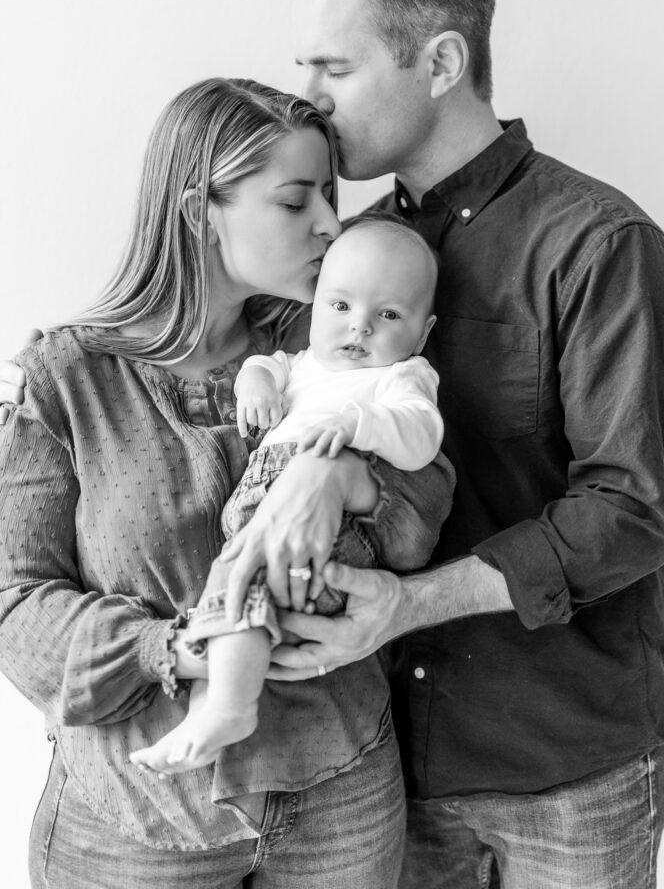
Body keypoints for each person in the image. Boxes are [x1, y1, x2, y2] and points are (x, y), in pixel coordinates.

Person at [204, 0, 664, 888]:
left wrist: (403, 605)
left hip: (564, 778)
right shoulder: (339, 260)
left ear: (439, 60)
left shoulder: (597, 245)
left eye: (332, 68)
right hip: (378, 780)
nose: (308, 98)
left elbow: (631, 513)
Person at [0, 76, 454, 889]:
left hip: (341, 795)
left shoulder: (341, 347)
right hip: (135, 817)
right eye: (295, 200)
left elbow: (423, 515)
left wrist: (338, 477)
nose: (330, 222)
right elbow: (18, 609)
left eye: (329, 193)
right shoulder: (67, 380)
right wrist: (179, 649)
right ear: (198, 213)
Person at [128, 217, 443, 776]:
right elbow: (260, 366)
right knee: (227, 598)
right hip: (257, 510)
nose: (360, 328)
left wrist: (359, 423)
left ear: (422, 333)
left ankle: (228, 708)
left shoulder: (402, 377)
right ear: (315, 305)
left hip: (332, 535)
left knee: (243, 588)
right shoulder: (300, 363)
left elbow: (422, 438)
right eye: (340, 306)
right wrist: (256, 385)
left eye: (388, 315)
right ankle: (212, 707)